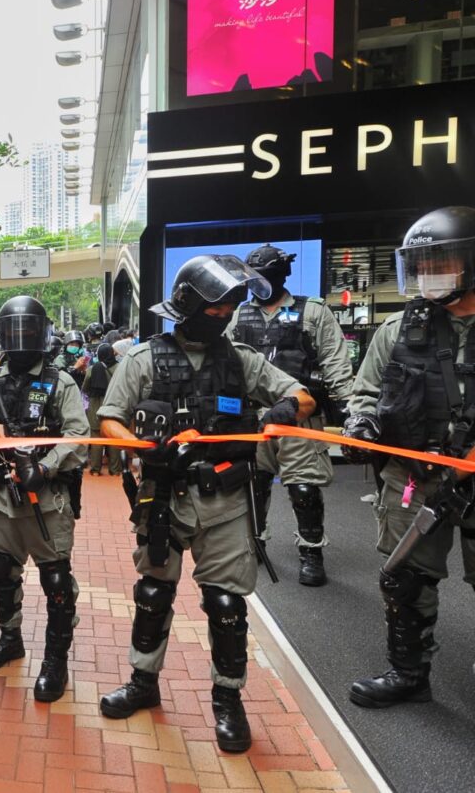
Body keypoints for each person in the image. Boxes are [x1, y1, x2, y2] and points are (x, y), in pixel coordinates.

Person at [95, 255, 314, 752]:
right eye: (216, 306)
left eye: (231, 306)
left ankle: (227, 701)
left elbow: (303, 396)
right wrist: (139, 445)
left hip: (227, 500)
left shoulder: (240, 358)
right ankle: (143, 683)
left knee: (226, 604)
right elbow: (109, 417)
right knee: (153, 594)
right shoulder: (142, 358)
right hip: (163, 500)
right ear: (189, 304)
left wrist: (284, 406)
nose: (224, 315)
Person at [343, 206, 475, 709]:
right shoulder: (397, 331)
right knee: (405, 578)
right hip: (415, 476)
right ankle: (408, 673)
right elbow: (365, 393)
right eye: (420, 264)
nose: (428, 274)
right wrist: (363, 421)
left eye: (440, 261)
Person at [0, 297, 89, 702]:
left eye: (28, 330)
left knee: (56, 580)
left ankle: (56, 662)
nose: (20, 339)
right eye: (13, 330)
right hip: (3, 495)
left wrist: (46, 466)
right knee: (2, 568)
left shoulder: (60, 381)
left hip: (47, 500)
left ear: (42, 332)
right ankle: (10, 639)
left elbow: (77, 436)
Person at [230, 244, 355, 586]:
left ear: (281, 275)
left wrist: (352, 412)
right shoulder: (238, 315)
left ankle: (311, 551)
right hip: (253, 418)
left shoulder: (311, 312)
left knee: (303, 488)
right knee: (252, 485)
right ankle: (254, 543)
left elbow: (335, 363)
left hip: (299, 415)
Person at [84, 342, 123, 477]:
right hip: (114, 408)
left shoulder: (92, 369)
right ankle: (116, 470)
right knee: (114, 439)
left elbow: (85, 388)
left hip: (96, 408)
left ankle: (95, 470)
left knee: (96, 439)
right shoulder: (120, 368)